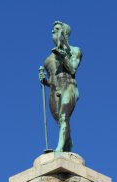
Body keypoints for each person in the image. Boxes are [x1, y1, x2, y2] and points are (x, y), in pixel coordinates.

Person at [39, 21, 82, 152]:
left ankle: (59, 148)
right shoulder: (48, 59)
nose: (53, 32)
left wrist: (63, 57)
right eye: (53, 30)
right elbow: (52, 79)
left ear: (64, 33)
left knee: (64, 117)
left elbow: (73, 70)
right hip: (53, 90)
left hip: (69, 85)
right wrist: (45, 81)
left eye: (56, 29)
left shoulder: (74, 50)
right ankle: (67, 146)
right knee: (61, 122)